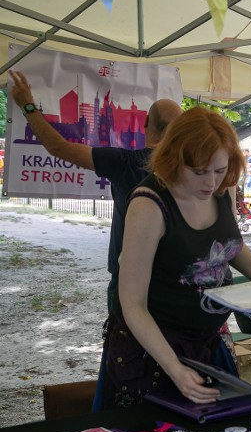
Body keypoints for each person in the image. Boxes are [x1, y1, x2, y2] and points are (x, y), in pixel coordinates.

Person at [100, 107, 251, 409]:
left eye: (219, 170)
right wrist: (175, 369)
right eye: (199, 172)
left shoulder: (221, 188)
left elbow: (231, 246)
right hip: (153, 351)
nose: (211, 183)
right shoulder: (149, 204)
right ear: (174, 158)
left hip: (208, 343)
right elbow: (132, 305)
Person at [9, 70, 183, 312]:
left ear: (144, 122)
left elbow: (58, 147)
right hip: (174, 279)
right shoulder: (189, 170)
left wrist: (28, 106)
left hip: (129, 278)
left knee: (124, 345)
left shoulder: (124, 162)